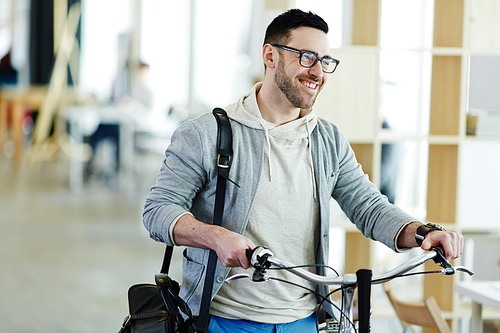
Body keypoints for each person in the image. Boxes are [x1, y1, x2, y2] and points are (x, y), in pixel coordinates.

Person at [143, 8, 463, 332]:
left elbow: (369, 207)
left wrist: (422, 232)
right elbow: (157, 211)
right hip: (225, 321)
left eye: (325, 61)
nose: (318, 72)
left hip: (305, 321)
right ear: (270, 55)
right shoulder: (207, 133)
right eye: (307, 57)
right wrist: (217, 237)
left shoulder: (327, 140)